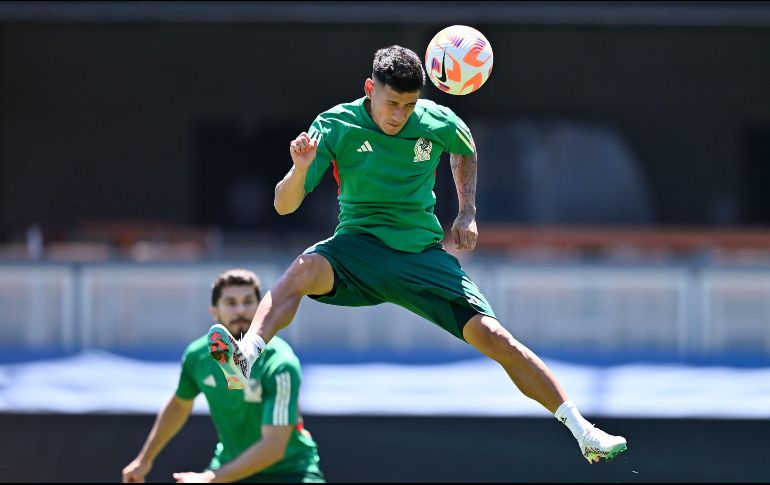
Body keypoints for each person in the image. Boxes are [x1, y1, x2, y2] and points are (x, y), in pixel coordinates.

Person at [208, 45, 627, 464]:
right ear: (369, 89)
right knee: (303, 269)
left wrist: (467, 212)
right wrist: (300, 169)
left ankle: (582, 431)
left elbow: (464, 146)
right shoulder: (335, 125)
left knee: (496, 338)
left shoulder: (435, 119)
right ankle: (247, 355)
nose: (399, 115)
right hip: (358, 248)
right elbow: (284, 205)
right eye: (391, 103)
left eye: (408, 106)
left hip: (420, 255)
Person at [123, 268, 325, 483]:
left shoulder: (280, 363)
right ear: (214, 311)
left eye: (248, 302)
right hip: (230, 466)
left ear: (260, 309)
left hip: (290, 472)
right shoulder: (198, 356)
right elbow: (180, 404)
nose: (241, 310)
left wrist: (209, 478)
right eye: (230, 303)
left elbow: (274, 446)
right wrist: (145, 459)